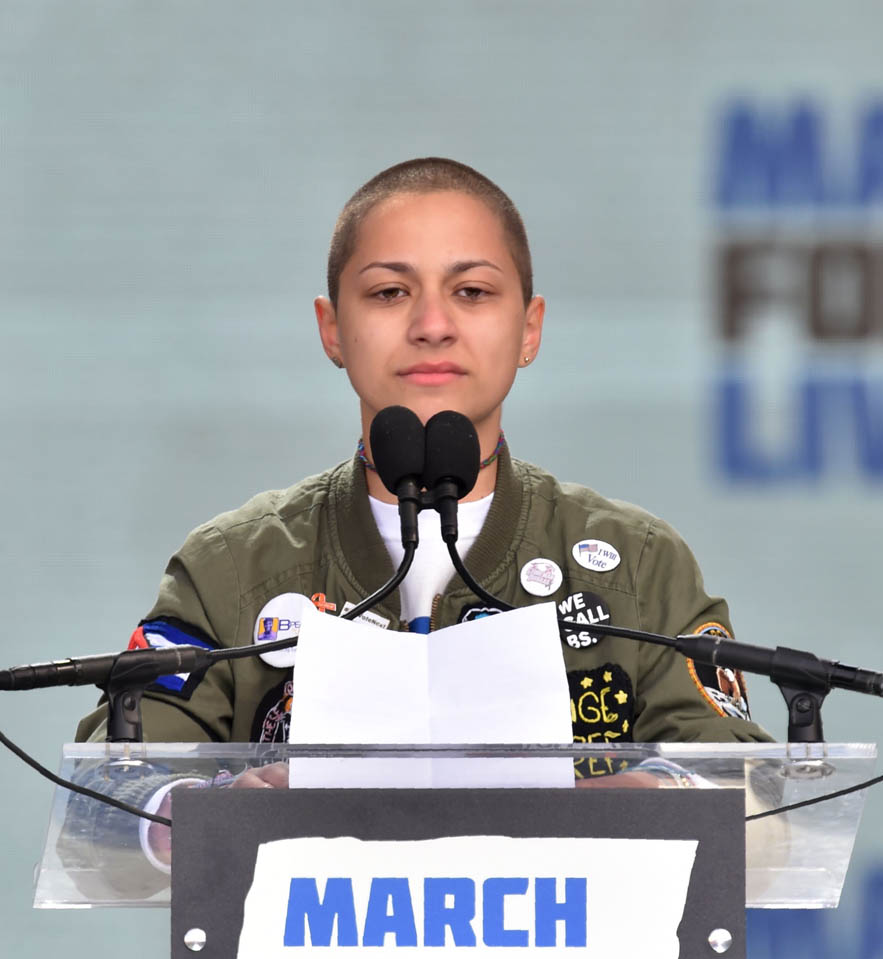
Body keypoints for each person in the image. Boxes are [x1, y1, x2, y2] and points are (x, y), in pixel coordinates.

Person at [68, 158, 770, 880]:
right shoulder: (233, 564)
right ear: (332, 328)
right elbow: (109, 785)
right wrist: (204, 812)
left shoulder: (636, 562)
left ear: (529, 329)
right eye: (389, 292)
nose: (433, 326)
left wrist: (655, 798)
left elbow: (750, 788)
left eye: (472, 292)